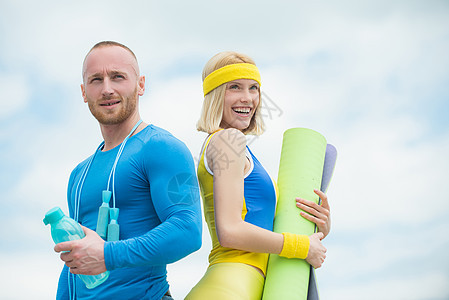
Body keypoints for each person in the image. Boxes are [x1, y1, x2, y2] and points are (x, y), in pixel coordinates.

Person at [53, 41, 202, 300]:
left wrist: (108, 255)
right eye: (96, 80)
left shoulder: (163, 147)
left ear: (140, 84)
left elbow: (187, 229)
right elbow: (74, 261)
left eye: (118, 77)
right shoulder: (79, 173)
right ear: (84, 91)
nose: (107, 89)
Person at [185, 52, 331, 299]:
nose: (247, 98)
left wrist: (319, 227)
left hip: (247, 284)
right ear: (215, 94)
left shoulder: (238, 147)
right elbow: (230, 230)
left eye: (254, 88)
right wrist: (301, 246)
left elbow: (259, 226)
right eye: (235, 87)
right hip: (230, 286)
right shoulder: (228, 140)